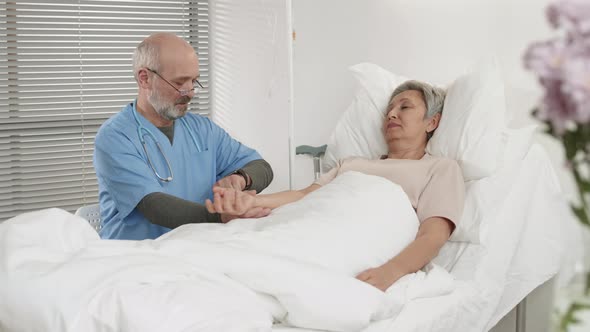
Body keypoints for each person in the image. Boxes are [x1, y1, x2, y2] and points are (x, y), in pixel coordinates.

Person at [205, 80, 465, 291]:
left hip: (355, 240)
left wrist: (391, 272)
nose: (392, 114)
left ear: (432, 122)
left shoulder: (440, 168)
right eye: (389, 109)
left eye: (405, 107)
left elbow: (433, 235)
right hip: (312, 227)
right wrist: (252, 202)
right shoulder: (351, 164)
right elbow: (304, 197)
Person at [93, 32, 273, 240]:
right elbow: (154, 205)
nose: (190, 92)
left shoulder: (201, 129)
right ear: (145, 79)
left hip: (194, 247)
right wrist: (220, 217)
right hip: (136, 255)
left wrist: (241, 179)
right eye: (179, 83)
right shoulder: (115, 137)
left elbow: (262, 167)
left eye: (194, 81)